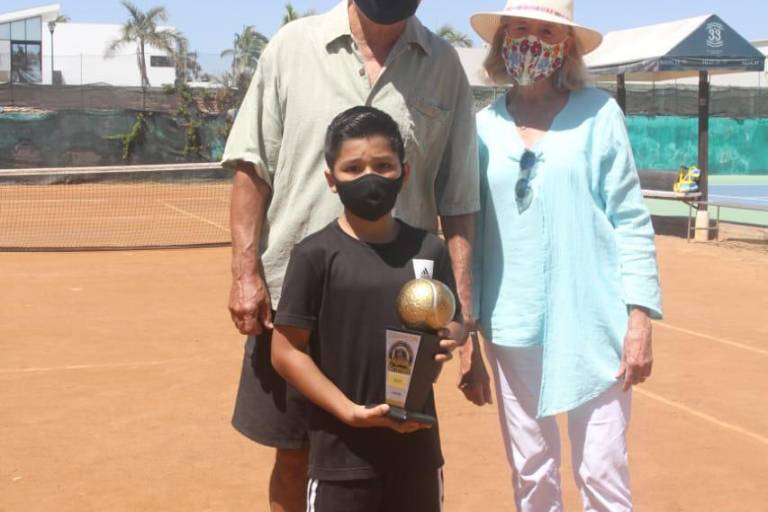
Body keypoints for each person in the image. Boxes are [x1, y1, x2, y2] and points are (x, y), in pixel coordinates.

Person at [221, 1, 486, 510]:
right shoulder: (292, 48)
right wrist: (245, 273)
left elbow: (458, 201)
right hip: (295, 306)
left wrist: (464, 320)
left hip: (398, 317)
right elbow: (251, 166)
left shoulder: (444, 65)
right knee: (295, 457)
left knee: (393, 453)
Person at [468, 1, 663, 510]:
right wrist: (468, 327)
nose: (530, 40)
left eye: (545, 32)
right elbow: (471, 228)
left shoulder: (600, 114)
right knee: (531, 471)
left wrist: (638, 317)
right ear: (501, 39)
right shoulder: (482, 127)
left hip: (595, 324)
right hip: (510, 326)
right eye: (520, 29)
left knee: (602, 470)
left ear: (567, 47)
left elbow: (631, 219)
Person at [271, 105, 464, 511]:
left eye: (383, 165)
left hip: (416, 451)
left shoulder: (429, 250)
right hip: (341, 457)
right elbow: (286, 351)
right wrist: (350, 412)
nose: (369, 177)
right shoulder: (314, 255)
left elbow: (454, 324)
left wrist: (450, 339)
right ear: (331, 180)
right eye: (353, 168)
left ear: (404, 173)